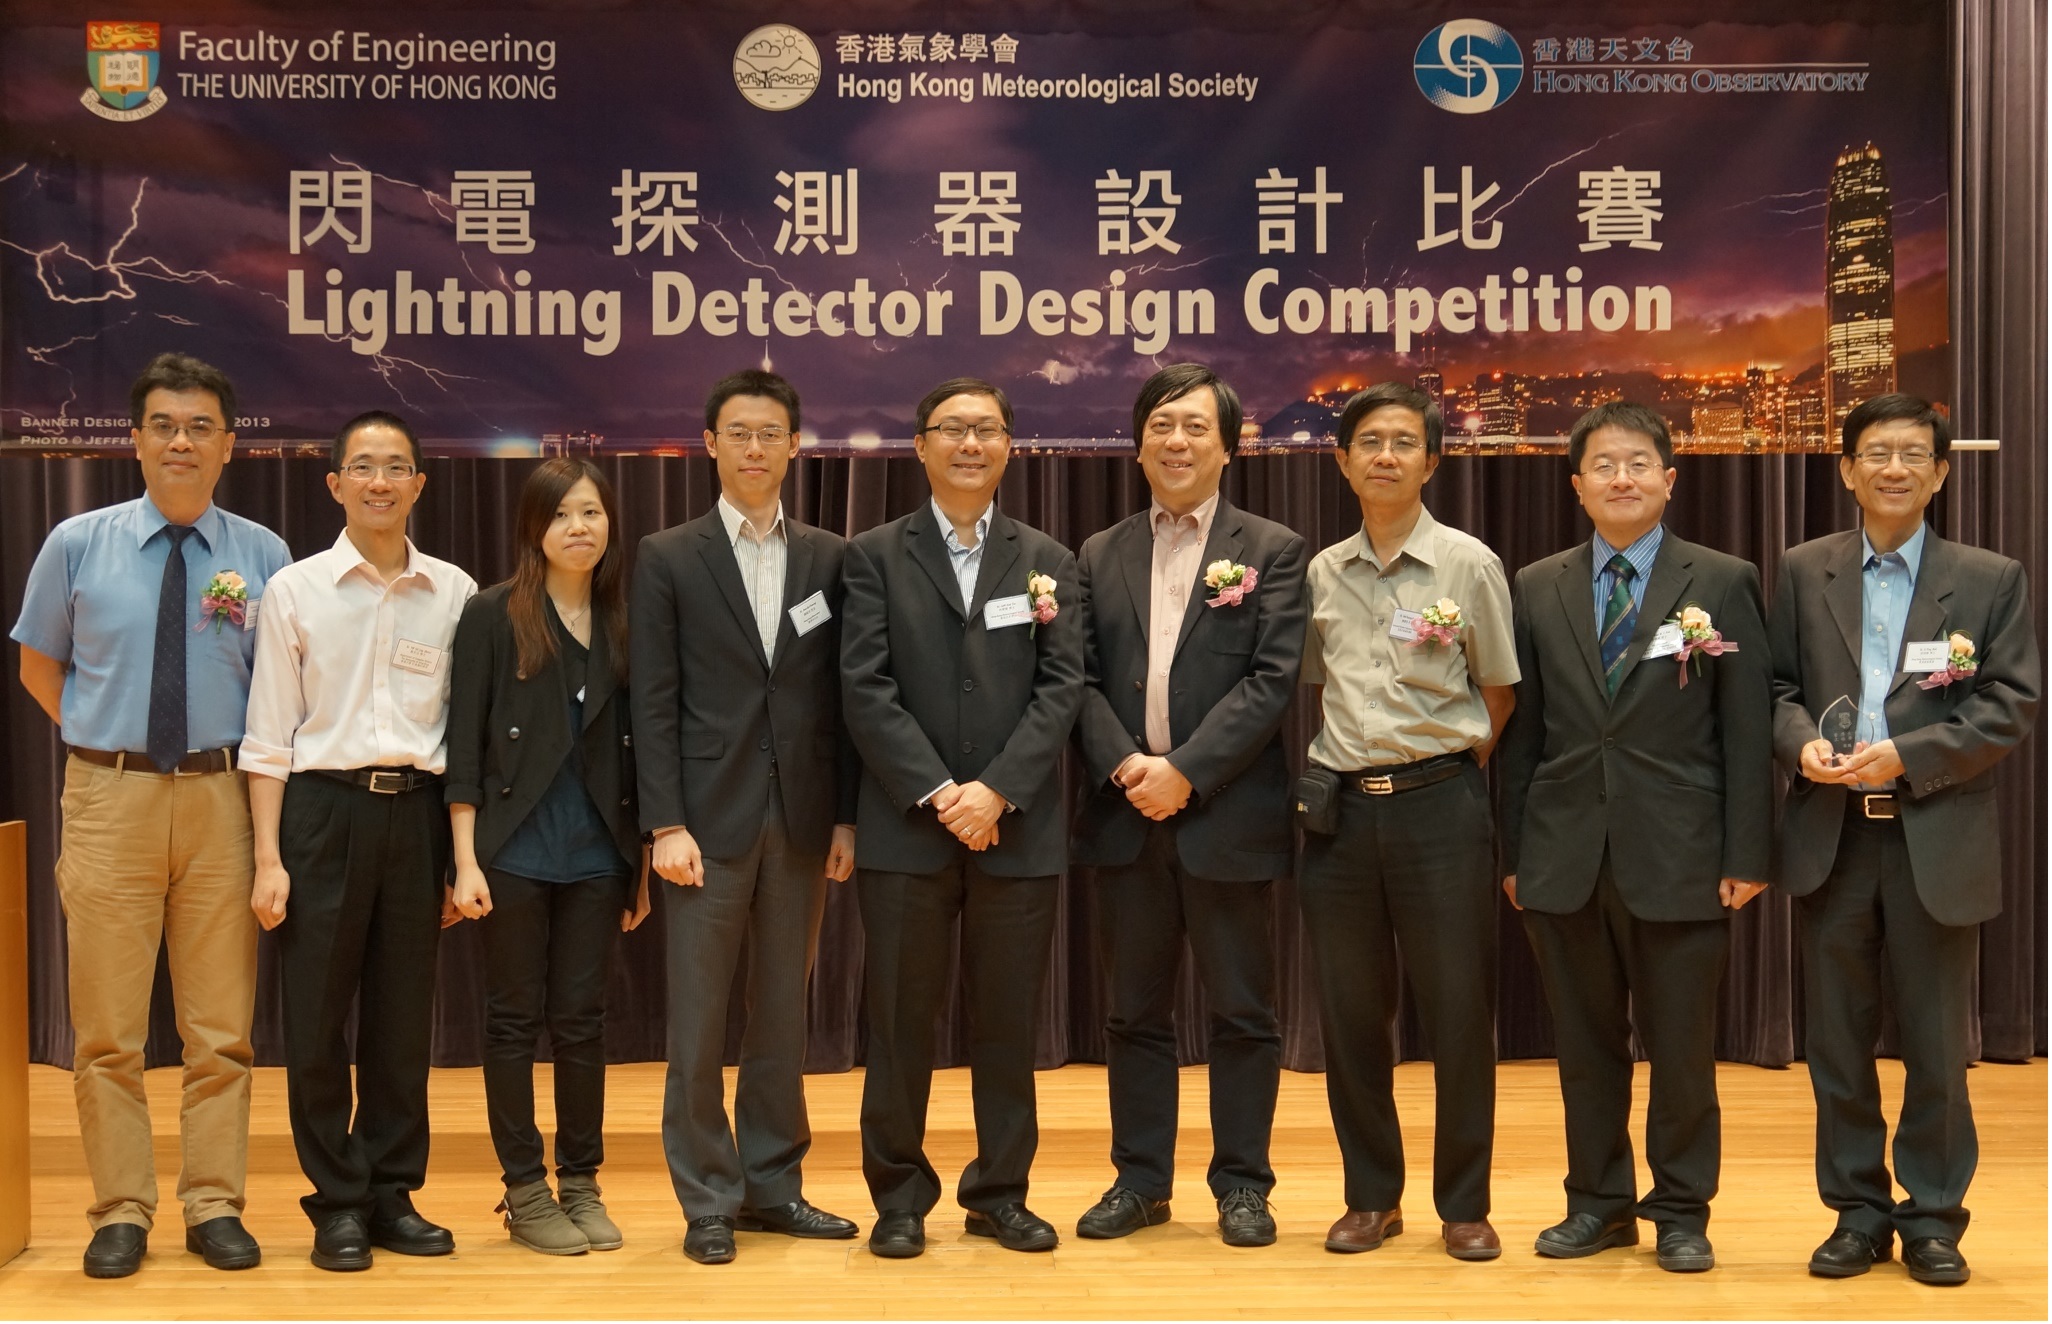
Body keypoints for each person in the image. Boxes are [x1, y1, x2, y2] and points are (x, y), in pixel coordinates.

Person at [11, 353, 290, 1278]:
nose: (181, 441)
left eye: (200, 426)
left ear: (228, 445)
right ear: (134, 440)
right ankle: (121, 1210)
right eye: (163, 425)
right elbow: (38, 665)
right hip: (109, 798)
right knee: (107, 1031)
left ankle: (214, 1204)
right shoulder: (76, 543)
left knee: (221, 1030)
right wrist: (102, 737)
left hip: (223, 799)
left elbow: (283, 687)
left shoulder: (264, 555)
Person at [1768, 393, 2039, 1286]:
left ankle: (1932, 1218)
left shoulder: (1990, 577)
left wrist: (1910, 756)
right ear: (1847, 470)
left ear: (1941, 472)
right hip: (1833, 837)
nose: (1895, 467)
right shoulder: (1803, 569)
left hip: (1935, 832)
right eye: (1877, 452)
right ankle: (1856, 1213)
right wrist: (1799, 744)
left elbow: (2012, 702)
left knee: (1935, 1046)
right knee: (1837, 1046)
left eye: (1913, 454)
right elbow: (1774, 688)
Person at [1497, 400, 1771, 1274]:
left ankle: (1682, 1210)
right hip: (1564, 853)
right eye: (1604, 466)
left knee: (1682, 1050)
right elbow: (1523, 734)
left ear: (1669, 479)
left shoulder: (1722, 580)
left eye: (1638, 463)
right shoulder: (1537, 584)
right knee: (1585, 1049)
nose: (1622, 478)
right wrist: (1513, 854)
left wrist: (1747, 853)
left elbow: (1747, 728)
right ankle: (1598, 1204)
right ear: (1577, 486)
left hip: (1683, 854)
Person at [840, 377, 1085, 1259]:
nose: (970, 444)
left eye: (987, 429)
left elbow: (1062, 686)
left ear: (1010, 445)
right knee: (899, 1023)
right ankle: (899, 1198)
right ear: (921, 445)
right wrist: (943, 793)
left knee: (1007, 1025)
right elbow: (864, 687)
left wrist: (998, 790)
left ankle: (1000, 1193)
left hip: (1016, 829)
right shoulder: (873, 555)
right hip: (908, 829)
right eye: (952, 429)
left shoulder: (1048, 557)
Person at [1069, 364, 1305, 1247]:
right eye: (1162, 426)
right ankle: (1140, 1182)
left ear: (1228, 447)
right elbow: (1076, 679)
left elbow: (1271, 682)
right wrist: (1131, 766)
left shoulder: (1273, 549)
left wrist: (1188, 772)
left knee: (1243, 1013)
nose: (1177, 441)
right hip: (1126, 814)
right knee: (1133, 1013)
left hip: (1227, 815)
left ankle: (1243, 1185)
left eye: (1196, 427)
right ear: (1138, 445)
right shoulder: (1098, 552)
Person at [630, 370, 861, 1265]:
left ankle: (773, 1185)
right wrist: (664, 823)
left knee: (781, 1020)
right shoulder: (668, 555)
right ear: (711, 444)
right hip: (704, 823)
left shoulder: (829, 557)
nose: (755, 448)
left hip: (800, 820)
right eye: (739, 433)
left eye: (771, 434)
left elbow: (840, 699)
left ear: (795, 445)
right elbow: (652, 700)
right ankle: (707, 1199)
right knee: (696, 1025)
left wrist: (844, 817)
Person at [240, 410, 478, 1271]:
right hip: (321, 813)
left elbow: (465, 734)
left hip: (417, 813)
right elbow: (268, 735)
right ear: (335, 483)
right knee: (315, 1021)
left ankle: (390, 1193)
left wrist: (459, 856)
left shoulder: (454, 592)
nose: (381, 481)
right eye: (364, 466)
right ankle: (336, 1202)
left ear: (420, 485)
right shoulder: (294, 590)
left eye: (397, 466)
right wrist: (268, 858)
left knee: (401, 1021)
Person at [1294, 382, 1518, 1262]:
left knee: (1459, 1012)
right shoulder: (1323, 571)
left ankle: (1464, 1204)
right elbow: (1320, 684)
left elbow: (1498, 692)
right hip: (1341, 815)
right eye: (1369, 442)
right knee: (1352, 1016)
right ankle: (1370, 1197)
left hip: (1440, 810)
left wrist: (1441, 774)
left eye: (1403, 442)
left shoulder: (1469, 564)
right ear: (1342, 461)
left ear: (1432, 461)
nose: (1385, 456)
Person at [444, 458, 648, 1257]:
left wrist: (637, 864)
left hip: (599, 852)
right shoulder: (493, 614)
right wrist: (465, 861)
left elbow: (641, 751)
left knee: (582, 1022)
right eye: (561, 514)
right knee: (510, 1020)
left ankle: (582, 1180)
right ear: (534, 528)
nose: (578, 528)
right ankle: (525, 1188)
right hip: (512, 851)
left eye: (591, 512)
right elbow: (464, 744)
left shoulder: (626, 617)